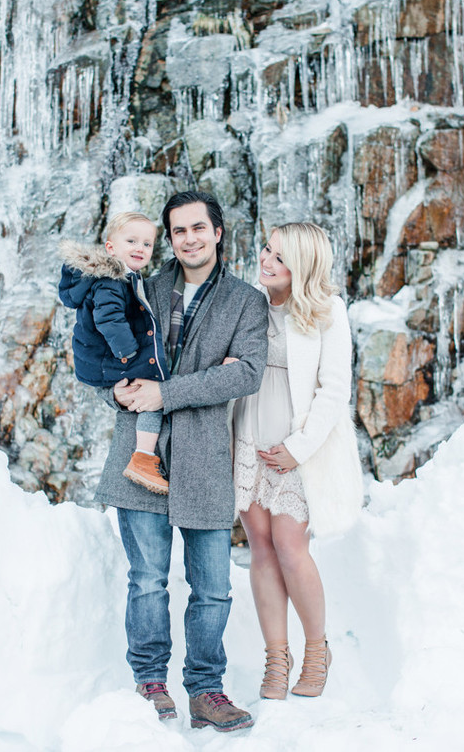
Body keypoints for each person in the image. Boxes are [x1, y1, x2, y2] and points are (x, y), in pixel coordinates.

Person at [93, 191, 269, 731]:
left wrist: (166, 392)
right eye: (178, 231)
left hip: (205, 458)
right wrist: (114, 391)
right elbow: (103, 354)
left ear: (218, 231)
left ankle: (206, 691)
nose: (189, 239)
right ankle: (150, 683)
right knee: (147, 579)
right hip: (138, 455)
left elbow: (247, 374)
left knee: (212, 587)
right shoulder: (140, 285)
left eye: (198, 228)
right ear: (169, 239)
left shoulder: (246, 301)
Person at [232, 222, 362, 701]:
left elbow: (335, 389)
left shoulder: (328, 311)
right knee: (261, 548)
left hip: (296, 446)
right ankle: (276, 657)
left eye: (280, 258)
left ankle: (316, 651)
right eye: (267, 250)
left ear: (303, 266)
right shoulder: (248, 303)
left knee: (290, 547)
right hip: (248, 436)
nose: (266, 261)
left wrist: (299, 448)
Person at [59, 212, 171, 494]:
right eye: (131, 241)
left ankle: (144, 456)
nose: (139, 248)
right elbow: (108, 318)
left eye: (147, 244)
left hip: (102, 358)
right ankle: (143, 458)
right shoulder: (111, 280)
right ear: (110, 248)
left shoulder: (120, 277)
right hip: (113, 357)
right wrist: (129, 353)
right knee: (154, 394)